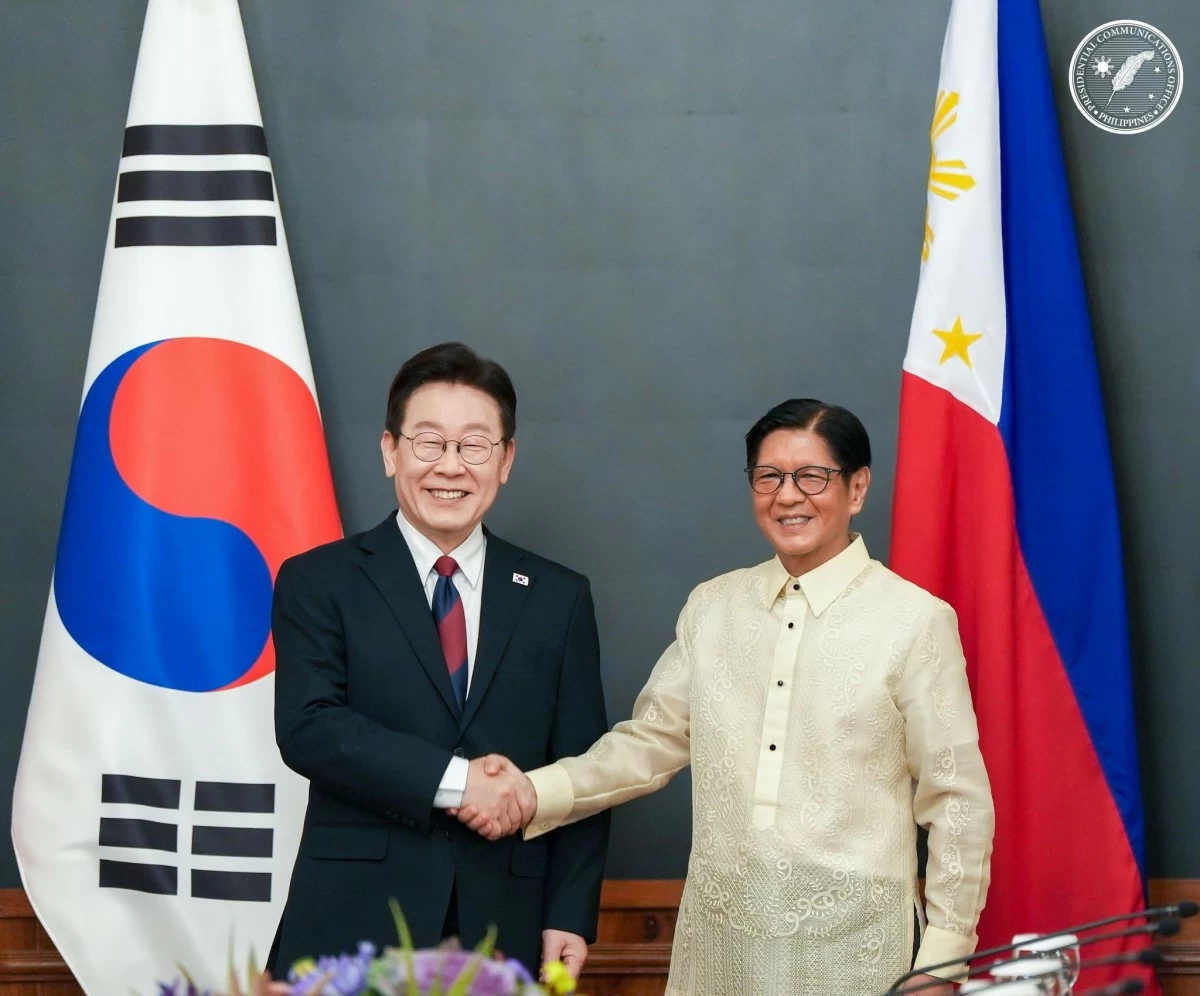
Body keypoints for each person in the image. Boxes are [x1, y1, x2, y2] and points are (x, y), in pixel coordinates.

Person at [458, 399, 994, 995]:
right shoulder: (713, 607)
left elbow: (958, 802)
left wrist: (944, 957)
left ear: (858, 487)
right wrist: (533, 790)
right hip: (722, 947)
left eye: (811, 476)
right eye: (769, 477)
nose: (788, 496)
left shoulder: (913, 621)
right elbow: (648, 744)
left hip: (857, 953)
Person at [268, 343, 610, 980]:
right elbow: (310, 727)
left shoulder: (559, 597)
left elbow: (582, 764)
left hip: (504, 921)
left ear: (505, 460)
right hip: (352, 920)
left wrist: (569, 909)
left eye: (474, 445)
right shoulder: (320, 581)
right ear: (390, 450)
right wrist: (460, 782)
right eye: (429, 442)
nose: (450, 466)